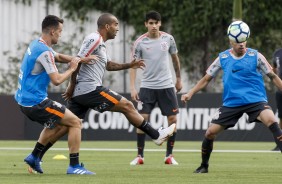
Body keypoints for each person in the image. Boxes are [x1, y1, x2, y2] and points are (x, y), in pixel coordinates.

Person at [181, 21, 282, 173]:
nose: (241, 44)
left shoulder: (256, 56)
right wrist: (190, 92)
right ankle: (204, 166)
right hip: (232, 103)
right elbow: (206, 79)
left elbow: (273, 76)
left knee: (273, 121)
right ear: (231, 41)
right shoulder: (223, 57)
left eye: (244, 41)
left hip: (255, 100)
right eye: (238, 42)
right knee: (210, 133)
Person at [15, 15, 96, 175]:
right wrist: (73, 68)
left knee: (61, 124)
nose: (61, 34)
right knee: (75, 122)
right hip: (35, 102)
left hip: (25, 101)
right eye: (60, 31)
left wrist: (79, 59)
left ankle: (34, 157)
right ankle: (74, 166)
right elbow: (57, 80)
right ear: (52, 32)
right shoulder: (44, 52)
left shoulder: (37, 44)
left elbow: (57, 56)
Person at [129, 10, 182, 165]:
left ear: (160, 23)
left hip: (167, 85)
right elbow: (133, 66)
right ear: (146, 24)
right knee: (142, 119)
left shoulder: (168, 39)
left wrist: (178, 79)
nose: (153, 26)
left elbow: (175, 59)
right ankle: (140, 156)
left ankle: (169, 156)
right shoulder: (139, 42)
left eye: (156, 23)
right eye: (150, 23)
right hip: (147, 86)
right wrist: (133, 87)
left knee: (172, 119)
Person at [272, 48, 282, 151]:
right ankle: (280, 143)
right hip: (280, 90)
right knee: (281, 116)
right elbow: (274, 69)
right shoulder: (277, 53)